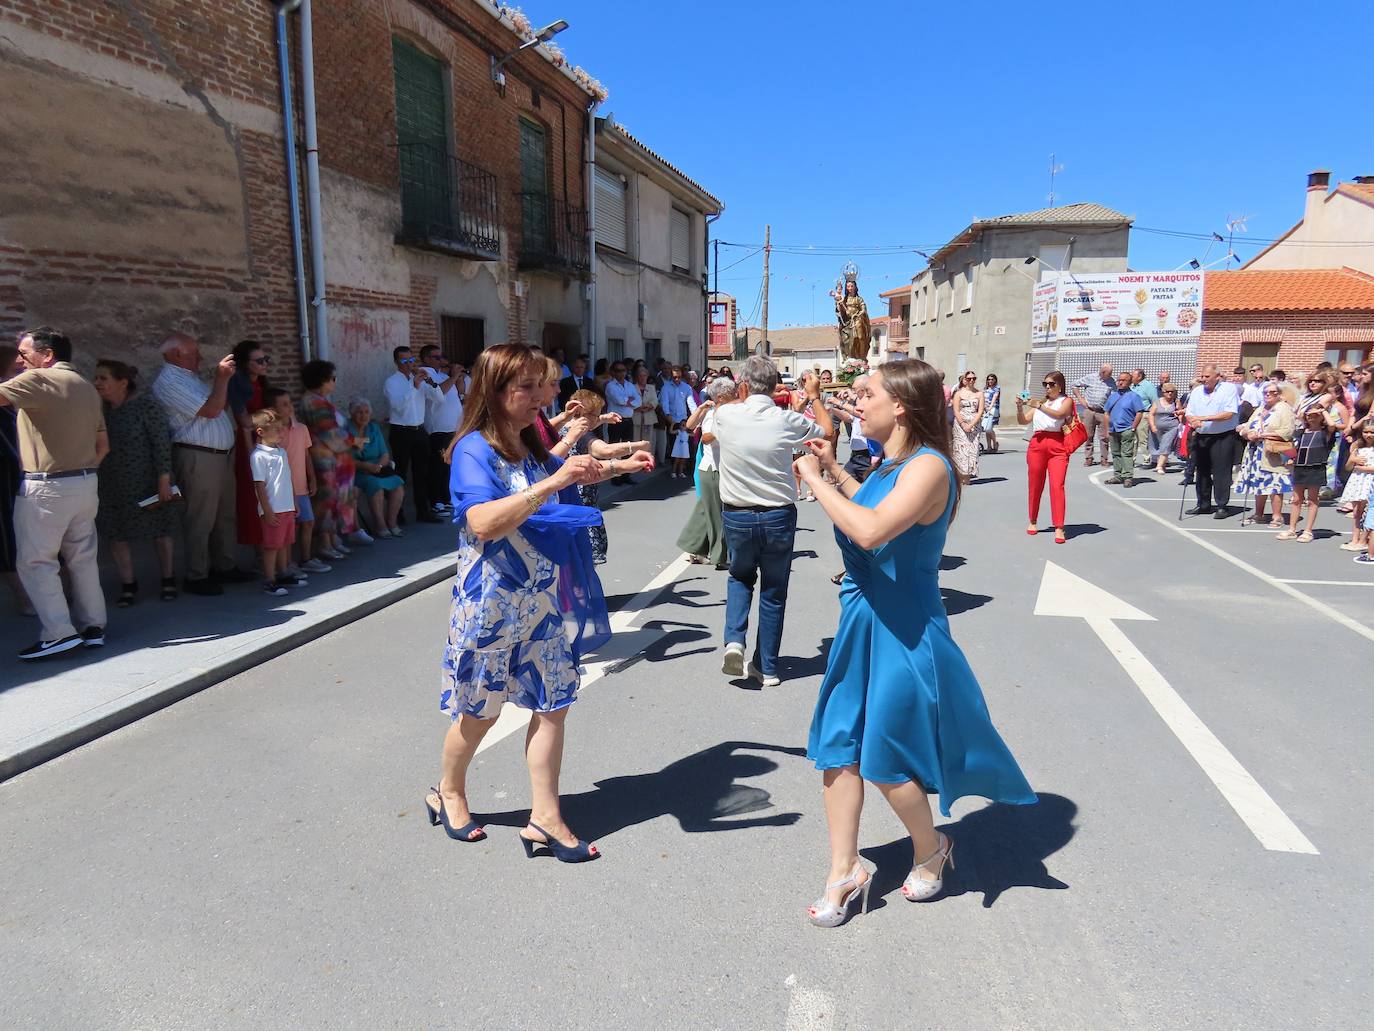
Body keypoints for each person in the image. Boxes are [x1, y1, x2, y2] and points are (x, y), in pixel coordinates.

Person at [795, 359, 1036, 927]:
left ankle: (931, 846)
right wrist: (833, 470)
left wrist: (811, 481)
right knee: (840, 742)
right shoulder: (892, 465)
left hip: (904, 627)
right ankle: (844, 868)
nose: (857, 402)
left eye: (866, 393)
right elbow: (872, 503)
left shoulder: (931, 466)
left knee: (884, 756)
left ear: (900, 404)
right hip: (863, 619)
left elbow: (872, 530)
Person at [426, 344, 651, 860]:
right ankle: (449, 792)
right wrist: (554, 479)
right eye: (525, 387)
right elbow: (481, 522)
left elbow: (560, 482)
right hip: (490, 602)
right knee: (479, 712)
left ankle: (545, 818)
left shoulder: (525, 444)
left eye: (538, 385)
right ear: (495, 391)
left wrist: (616, 467)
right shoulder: (472, 449)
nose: (540, 397)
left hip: (540, 600)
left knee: (555, 704)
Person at [713, 359, 833, 687]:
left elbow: (729, 411)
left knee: (740, 577)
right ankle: (767, 667)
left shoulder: (725, 414)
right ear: (775, 386)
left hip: (737, 513)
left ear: (744, 387)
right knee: (774, 590)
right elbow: (828, 430)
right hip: (778, 513)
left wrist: (744, 393)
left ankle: (735, 640)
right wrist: (815, 396)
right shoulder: (786, 419)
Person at [0, 327, 109, 658]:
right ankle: (94, 627)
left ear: (47, 355)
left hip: (47, 485)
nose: (21, 362)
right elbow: (103, 445)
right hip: (86, 481)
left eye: (24, 354)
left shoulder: (39, 380)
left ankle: (59, 633)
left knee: (35, 561)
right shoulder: (87, 387)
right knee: (83, 558)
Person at [153, 333, 253, 594]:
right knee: (201, 518)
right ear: (176, 354)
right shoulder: (169, 381)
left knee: (224, 516)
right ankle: (197, 575)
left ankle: (225, 566)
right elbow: (210, 410)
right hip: (198, 456)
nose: (200, 357)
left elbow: (216, 406)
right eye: (194, 352)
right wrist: (221, 379)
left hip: (219, 456)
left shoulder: (189, 379)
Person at [92, 359, 178, 605]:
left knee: (160, 529)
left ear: (122, 382)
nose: (96, 382)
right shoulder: (101, 411)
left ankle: (168, 579)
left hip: (147, 480)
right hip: (111, 482)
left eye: (103, 378)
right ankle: (128, 585)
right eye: (96, 378)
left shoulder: (145, 405)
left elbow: (161, 442)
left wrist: (164, 478)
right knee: (116, 533)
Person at [555, 388, 648, 564]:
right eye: (597, 415)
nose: (599, 418)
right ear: (584, 414)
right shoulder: (580, 433)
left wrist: (604, 419)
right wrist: (637, 445)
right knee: (586, 553)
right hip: (581, 497)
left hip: (564, 494)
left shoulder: (563, 426)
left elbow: (592, 423)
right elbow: (605, 450)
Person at [301, 359, 367, 556]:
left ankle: (331, 540)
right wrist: (354, 440)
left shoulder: (319, 401)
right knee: (326, 501)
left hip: (332, 459)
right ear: (322, 380)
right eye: (332, 378)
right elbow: (330, 434)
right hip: (325, 460)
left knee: (333, 501)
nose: (334, 382)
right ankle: (324, 544)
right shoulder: (314, 402)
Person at [266, 387, 329, 576]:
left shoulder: (301, 428)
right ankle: (288, 565)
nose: (289, 407)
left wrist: (312, 478)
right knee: (288, 528)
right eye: (283, 404)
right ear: (273, 409)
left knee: (308, 521)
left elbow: (306, 454)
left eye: (289, 403)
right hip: (284, 489)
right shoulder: (274, 433)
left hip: (301, 487)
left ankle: (306, 558)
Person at [677, 376, 736, 568]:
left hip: (719, 468)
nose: (735, 395)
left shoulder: (728, 412)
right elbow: (701, 434)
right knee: (718, 514)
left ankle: (692, 546)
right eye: (731, 392)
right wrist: (703, 408)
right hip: (713, 468)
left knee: (705, 510)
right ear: (721, 396)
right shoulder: (714, 413)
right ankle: (720, 556)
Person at [383, 345, 442, 524]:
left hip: (419, 430)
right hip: (401, 431)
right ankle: (397, 514)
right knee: (400, 473)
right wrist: (414, 386)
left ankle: (423, 512)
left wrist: (430, 381)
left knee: (421, 473)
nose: (409, 364)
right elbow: (398, 408)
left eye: (411, 360)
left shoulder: (420, 379)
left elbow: (440, 399)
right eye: (405, 361)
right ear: (396, 362)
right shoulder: (392, 382)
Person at [1016, 371, 1073, 544]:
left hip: (1057, 445)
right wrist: (1020, 407)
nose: (1047, 387)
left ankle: (1059, 527)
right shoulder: (1041, 402)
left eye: (1051, 384)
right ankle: (1033, 520)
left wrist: (1039, 406)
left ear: (1059, 385)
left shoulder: (1066, 401)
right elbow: (1023, 421)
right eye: (1045, 384)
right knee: (1035, 484)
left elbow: (1060, 415)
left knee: (1057, 485)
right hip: (1037, 444)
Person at [248, 409, 299, 595]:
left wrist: (294, 502)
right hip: (273, 508)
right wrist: (267, 510)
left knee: (285, 542)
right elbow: (259, 485)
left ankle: (283, 572)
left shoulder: (282, 453)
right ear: (261, 432)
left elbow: (287, 479)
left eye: (281, 429)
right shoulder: (258, 456)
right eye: (276, 429)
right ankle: (269, 579)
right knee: (272, 545)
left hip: (287, 506)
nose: (280, 433)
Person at [227, 339, 270, 548]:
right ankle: (260, 552)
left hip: (268, 442)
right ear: (245, 364)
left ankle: (273, 548)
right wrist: (273, 418)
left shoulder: (261, 383)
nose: (264, 364)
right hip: (250, 445)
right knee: (254, 498)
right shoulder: (237, 384)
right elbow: (244, 421)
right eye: (259, 360)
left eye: (266, 359)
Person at [1184, 364, 1241, 518]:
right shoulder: (1196, 392)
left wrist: (1203, 418)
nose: (1203, 379)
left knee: (1221, 471)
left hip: (1222, 436)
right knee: (1202, 471)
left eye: (1207, 377)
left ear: (1217, 377)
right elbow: (1190, 412)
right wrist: (1193, 421)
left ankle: (1222, 505)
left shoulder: (1228, 389)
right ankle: (1203, 504)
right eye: (1202, 376)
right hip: (1202, 435)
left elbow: (1229, 413)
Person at [0, 345, 32, 615]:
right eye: (16, 364)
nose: (23, 366)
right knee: (8, 537)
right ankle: (24, 598)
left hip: (22, 476)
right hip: (6, 478)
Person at [1236, 382, 1295, 526]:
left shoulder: (1284, 409)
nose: (1268, 395)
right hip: (1255, 452)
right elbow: (1248, 426)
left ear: (1280, 394)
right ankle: (1259, 514)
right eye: (1266, 392)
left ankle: (1277, 516)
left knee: (1274, 484)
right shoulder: (1260, 409)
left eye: (1273, 392)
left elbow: (1288, 431)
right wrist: (1247, 432)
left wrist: (1262, 435)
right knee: (1259, 483)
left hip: (1272, 452)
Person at [1277, 405, 1338, 542]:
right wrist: (1291, 458)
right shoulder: (1301, 432)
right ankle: (1292, 529)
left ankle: (1308, 531)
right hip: (1300, 467)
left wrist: (1322, 410)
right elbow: (1293, 444)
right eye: (1309, 415)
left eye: (1315, 415)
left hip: (1315, 467)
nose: (1312, 417)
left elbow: (1332, 424)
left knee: (1312, 500)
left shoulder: (1325, 432)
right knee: (1297, 499)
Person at [349, 396, 406, 539]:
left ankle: (392, 523)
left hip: (378, 469)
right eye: (359, 412)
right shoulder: (347, 431)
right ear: (352, 414)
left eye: (366, 412)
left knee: (398, 485)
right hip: (358, 471)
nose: (363, 415)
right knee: (376, 487)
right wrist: (365, 465)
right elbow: (345, 458)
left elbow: (385, 453)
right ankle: (380, 526)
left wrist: (379, 465)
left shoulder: (373, 428)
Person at [420, 345, 464, 518]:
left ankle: (445, 498)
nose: (441, 360)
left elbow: (460, 392)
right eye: (437, 357)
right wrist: (453, 376)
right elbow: (440, 392)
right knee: (436, 467)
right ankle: (435, 500)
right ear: (426, 358)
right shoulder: (425, 373)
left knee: (447, 466)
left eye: (442, 356)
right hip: (437, 429)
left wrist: (458, 377)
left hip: (451, 429)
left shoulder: (443, 375)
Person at [1103, 371, 1147, 488]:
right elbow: (1106, 413)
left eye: (1124, 380)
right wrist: (1107, 429)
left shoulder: (1134, 396)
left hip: (1126, 429)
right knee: (1116, 453)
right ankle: (1118, 475)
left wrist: (1133, 427)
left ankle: (1127, 476)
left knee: (1126, 453)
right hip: (1113, 429)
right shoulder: (1113, 396)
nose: (1120, 382)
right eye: (1119, 380)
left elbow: (1139, 412)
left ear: (1130, 382)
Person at [1338, 422, 1374, 553]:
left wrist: (1361, 467)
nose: (1368, 435)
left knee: (1366, 512)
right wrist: (1353, 460)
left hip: (1370, 482)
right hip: (1357, 481)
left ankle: (1364, 540)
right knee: (1356, 512)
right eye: (1366, 432)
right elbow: (1348, 467)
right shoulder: (1357, 447)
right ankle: (1355, 538)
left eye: (1372, 432)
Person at [603, 361, 640, 483]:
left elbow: (638, 401)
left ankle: (626, 475)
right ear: (613, 372)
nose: (621, 373)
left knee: (627, 448)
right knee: (614, 448)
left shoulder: (630, 385)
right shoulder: (610, 385)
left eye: (623, 370)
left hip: (628, 420)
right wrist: (629, 400)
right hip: (615, 419)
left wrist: (629, 401)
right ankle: (614, 476)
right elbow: (619, 400)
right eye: (618, 370)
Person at [1072, 363, 1114, 466]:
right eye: (1109, 373)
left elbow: (1114, 395)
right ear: (1103, 372)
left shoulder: (1111, 382)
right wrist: (1080, 398)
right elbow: (1074, 385)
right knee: (1088, 435)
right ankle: (1088, 458)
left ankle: (1104, 458)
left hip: (1103, 412)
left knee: (1104, 436)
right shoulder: (1090, 378)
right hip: (1089, 410)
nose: (1110, 375)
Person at [658, 365, 694, 472]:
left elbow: (691, 403)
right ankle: (674, 468)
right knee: (674, 445)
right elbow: (664, 403)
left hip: (683, 420)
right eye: (675, 377)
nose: (677, 379)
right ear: (671, 377)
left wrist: (696, 415)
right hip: (672, 420)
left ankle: (685, 468)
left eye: (679, 377)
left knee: (686, 443)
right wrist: (668, 415)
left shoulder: (686, 388)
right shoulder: (666, 387)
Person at [950, 371, 983, 482]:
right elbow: (956, 410)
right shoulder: (958, 393)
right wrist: (963, 424)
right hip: (960, 423)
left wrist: (972, 424)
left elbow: (980, 411)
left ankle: (968, 475)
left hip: (974, 423)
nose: (971, 381)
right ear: (964, 380)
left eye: (973, 378)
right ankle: (960, 474)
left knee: (972, 448)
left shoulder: (979, 394)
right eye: (969, 379)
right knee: (961, 448)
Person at [1147, 384, 1183, 475]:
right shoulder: (1157, 402)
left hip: (1172, 427)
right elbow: (1151, 414)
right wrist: (1152, 426)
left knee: (1166, 445)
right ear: (1163, 392)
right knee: (1158, 446)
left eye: (1172, 391)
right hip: (1157, 428)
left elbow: (1180, 413)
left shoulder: (1176, 401)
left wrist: (1180, 421)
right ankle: (1162, 465)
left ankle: (1159, 466)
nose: (1170, 393)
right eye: (1167, 391)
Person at [632, 365, 659, 462]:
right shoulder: (632, 387)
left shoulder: (651, 388)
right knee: (636, 439)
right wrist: (637, 407)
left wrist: (649, 406)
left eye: (644, 375)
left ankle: (647, 459)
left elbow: (655, 401)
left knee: (648, 440)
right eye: (640, 375)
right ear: (637, 377)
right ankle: (636, 459)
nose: (643, 378)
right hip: (636, 416)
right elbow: (630, 400)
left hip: (648, 416)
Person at [981, 373, 1001, 453]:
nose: (990, 381)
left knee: (989, 428)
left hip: (993, 409)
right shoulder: (985, 388)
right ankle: (989, 447)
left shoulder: (997, 388)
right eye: (989, 379)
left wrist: (990, 407)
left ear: (995, 380)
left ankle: (995, 443)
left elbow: (995, 397)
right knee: (986, 428)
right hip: (986, 409)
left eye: (992, 379)